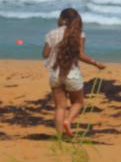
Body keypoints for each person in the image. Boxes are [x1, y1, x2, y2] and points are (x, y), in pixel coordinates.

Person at [42, 7, 105, 137]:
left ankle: (60, 136)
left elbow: (45, 54)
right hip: (73, 74)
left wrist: (55, 49)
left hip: (55, 74)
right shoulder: (79, 34)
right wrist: (96, 63)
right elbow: (81, 55)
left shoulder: (51, 34)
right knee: (78, 102)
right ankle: (68, 120)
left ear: (62, 19)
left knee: (60, 107)